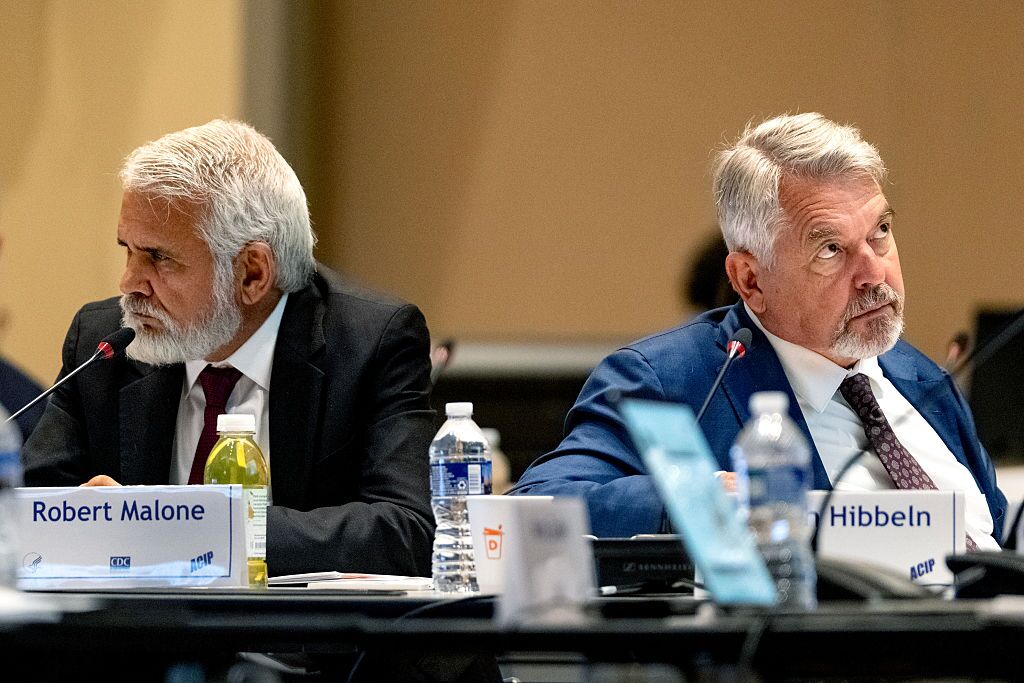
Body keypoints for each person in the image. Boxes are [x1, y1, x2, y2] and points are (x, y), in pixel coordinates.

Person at [511, 112, 1006, 548]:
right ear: (750, 279)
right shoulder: (672, 380)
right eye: (830, 249)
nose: (874, 274)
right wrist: (696, 499)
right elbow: (533, 508)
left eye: (880, 232)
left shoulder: (918, 376)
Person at [22, 120, 436, 577]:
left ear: (252, 274)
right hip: (138, 644)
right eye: (128, 250)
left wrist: (186, 527)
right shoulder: (104, 343)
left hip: (295, 643)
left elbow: (405, 530)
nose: (128, 284)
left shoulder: (370, 343)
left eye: (158, 258)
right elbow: (25, 514)